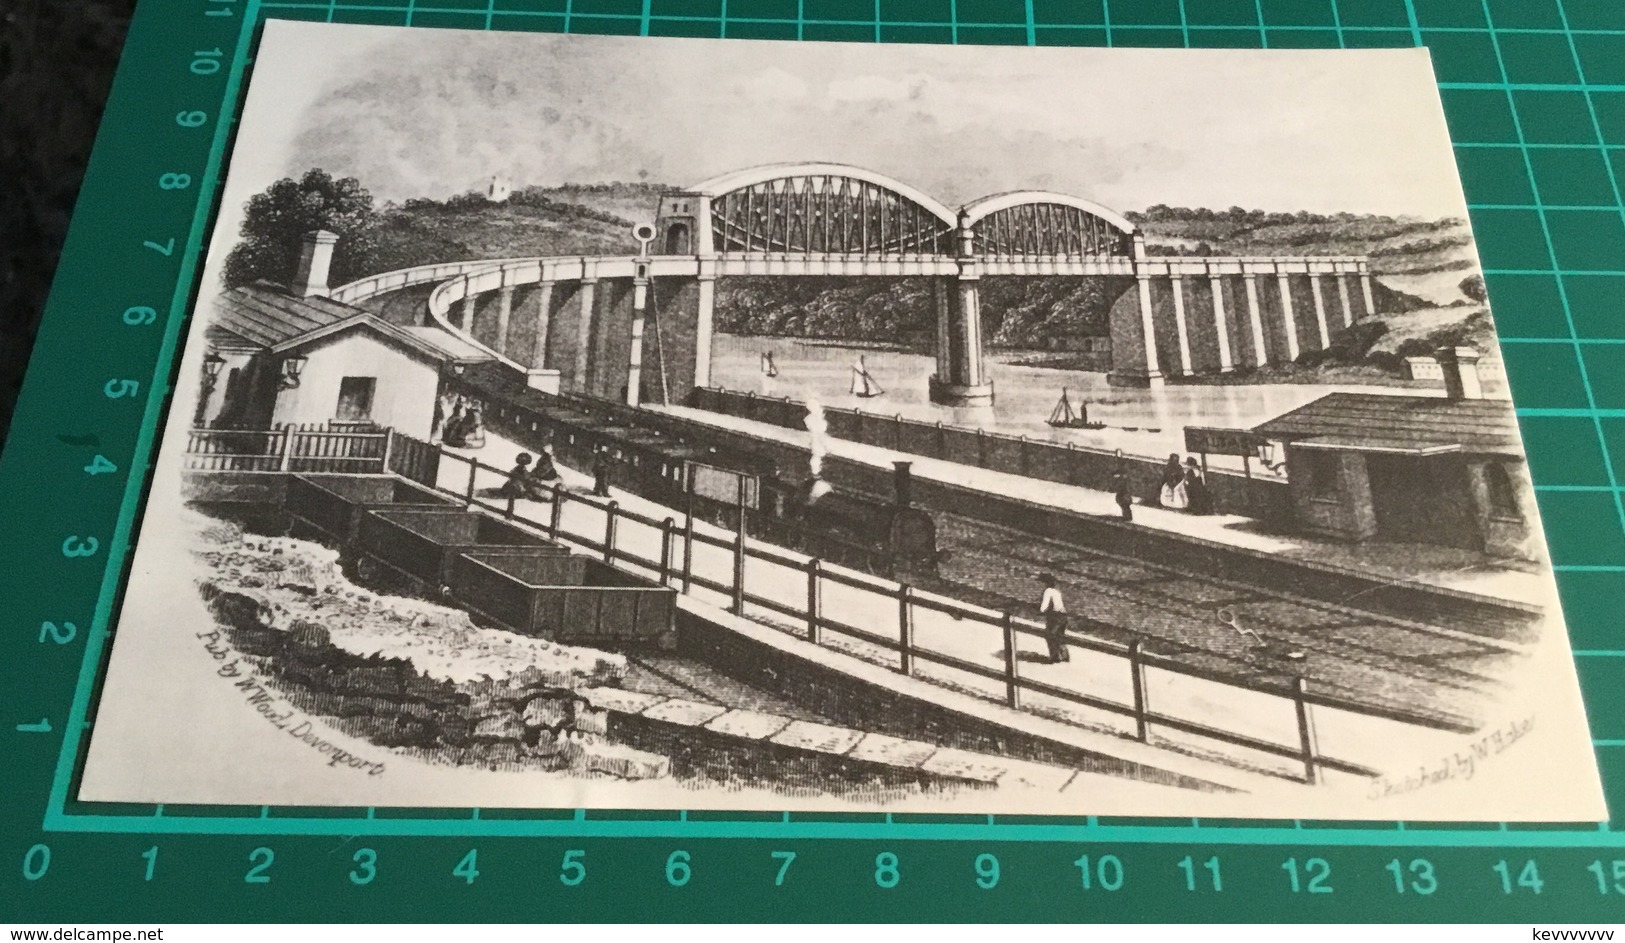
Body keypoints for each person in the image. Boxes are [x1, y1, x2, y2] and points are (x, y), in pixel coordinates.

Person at [1038, 573, 1069, 664]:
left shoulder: (1048, 591)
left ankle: (1054, 656)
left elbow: (1044, 607)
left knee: (1050, 635)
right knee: (1060, 635)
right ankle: (1065, 654)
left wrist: (1041, 611)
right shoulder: (1057, 591)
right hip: (1063, 616)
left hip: (1055, 617)